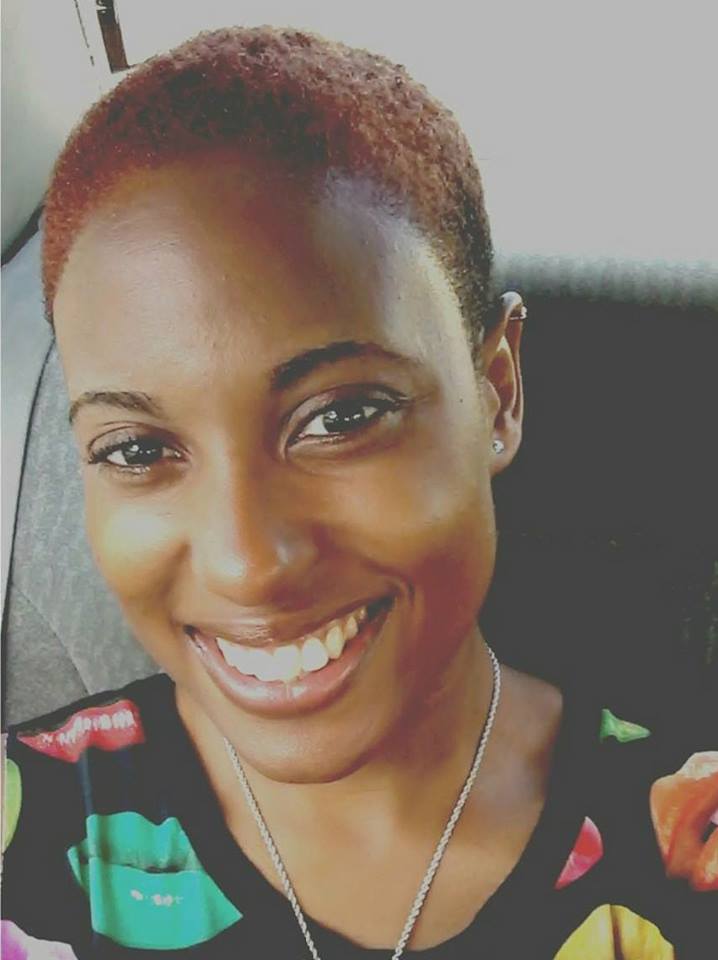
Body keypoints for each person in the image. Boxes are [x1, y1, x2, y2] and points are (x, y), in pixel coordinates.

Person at [1, 25, 715, 960]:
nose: (248, 564)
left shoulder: (686, 847)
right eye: (138, 448)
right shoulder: (26, 837)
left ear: (497, 394)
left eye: (340, 417)